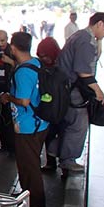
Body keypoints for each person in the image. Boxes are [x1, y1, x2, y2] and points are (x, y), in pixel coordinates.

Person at [49, 12, 104, 173]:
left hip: (65, 87)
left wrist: (100, 40)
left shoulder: (81, 35)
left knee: (67, 122)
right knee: (78, 124)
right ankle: (68, 159)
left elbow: (95, 57)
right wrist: (98, 91)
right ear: (100, 24)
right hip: (73, 89)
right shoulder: (85, 41)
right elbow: (84, 72)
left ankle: (55, 149)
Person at [0, 32, 48, 207]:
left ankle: (35, 203)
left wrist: (8, 97)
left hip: (28, 125)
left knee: (29, 165)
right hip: (40, 123)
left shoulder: (22, 73)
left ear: (13, 48)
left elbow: (24, 101)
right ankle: (29, 196)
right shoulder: (35, 63)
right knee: (30, 162)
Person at [36, 36, 62, 171]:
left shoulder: (61, 67)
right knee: (49, 135)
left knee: (58, 134)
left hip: (59, 107)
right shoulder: (42, 67)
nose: (43, 59)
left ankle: (61, 163)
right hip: (48, 108)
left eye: (45, 56)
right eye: (40, 56)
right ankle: (51, 162)